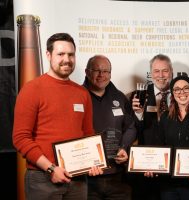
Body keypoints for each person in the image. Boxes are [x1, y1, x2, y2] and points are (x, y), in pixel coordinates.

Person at [13, 33, 103, 200]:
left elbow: (88, 133)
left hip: (77, 179)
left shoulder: (82, 93)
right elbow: (20, 138)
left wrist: (94, 161)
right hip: (42, 179)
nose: (66, 59)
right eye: (60, 54)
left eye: (71, 54)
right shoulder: (32, 89)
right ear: (48, 55)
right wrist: (51, 168)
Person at [83, 55, 136, 200]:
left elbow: (131, 127)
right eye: (97, 71)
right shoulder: (77, 97)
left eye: (106, 71)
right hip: (88, 178)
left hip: (118, 177)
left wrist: (124, 148)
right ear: (87, 72)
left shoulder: (119, 97)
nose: (101, 75)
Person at [130, 54, 173, 200]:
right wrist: (139, 114)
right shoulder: (137, 96)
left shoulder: (181, 94)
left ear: (171, 72)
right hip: (147, 166)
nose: (161, 75)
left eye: (165, 71)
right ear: (151, 74)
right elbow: (132, 131)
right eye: (156, 71)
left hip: (173, 167)